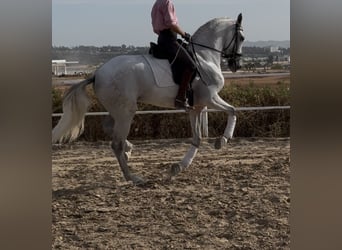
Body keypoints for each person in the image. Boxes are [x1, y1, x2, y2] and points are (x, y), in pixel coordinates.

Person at [151, 0, 196, 109]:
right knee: (191, 65)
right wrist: (184, 34)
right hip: (170, 39)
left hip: (161, 38)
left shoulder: (156, 4)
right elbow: (171, 24)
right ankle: (180, 98)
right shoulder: (167, 2)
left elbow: (155, 28)